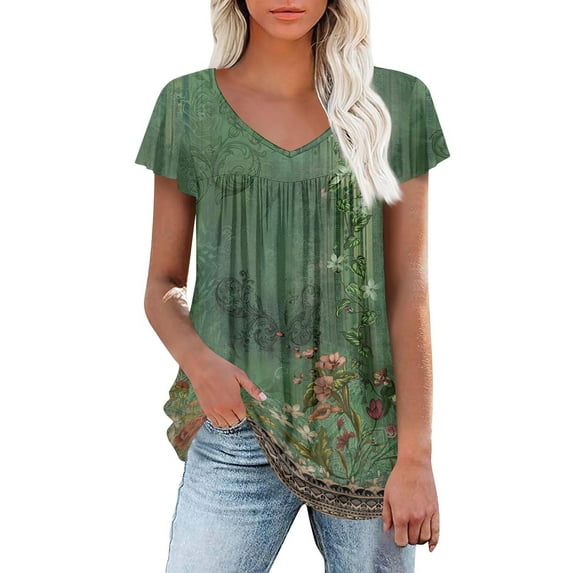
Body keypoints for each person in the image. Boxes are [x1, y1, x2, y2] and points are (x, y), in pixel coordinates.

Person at [134, 1, 451, 571]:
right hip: (236, 425)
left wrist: (416, 458)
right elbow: (163, 283)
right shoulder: (186, 106)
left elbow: (408, 289)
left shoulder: (396, 104)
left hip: (366, 438)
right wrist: (201, 366)